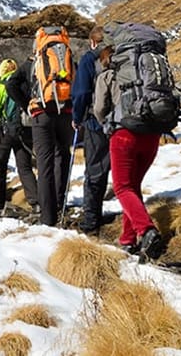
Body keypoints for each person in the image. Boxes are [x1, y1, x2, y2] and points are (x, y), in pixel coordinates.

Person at [92, 44, 164, 261]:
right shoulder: (145, 72)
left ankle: (146, 230)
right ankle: (127, 239)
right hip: (151, 135)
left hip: (124, 135)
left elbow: (99, 108)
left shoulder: (107, 75)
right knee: (132, 187)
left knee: (122, 187)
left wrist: (106, 123)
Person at [29, 28, 76, 227]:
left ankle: (47, 218)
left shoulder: (34, 62)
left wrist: (28, 104)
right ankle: (60, 204)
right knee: (63, 156)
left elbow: (13, 85)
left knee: (44, 164)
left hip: (42, 115)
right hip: (65, 113)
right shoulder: (69, 59)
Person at [0, 59, 40, 216]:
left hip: (5, 133)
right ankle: (36, 203)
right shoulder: (24, 85)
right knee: (24, 167)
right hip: (24, 131)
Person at [71, 25, 110, 234]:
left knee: (95, 171)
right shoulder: (121, 57)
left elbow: (81, 93)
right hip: (122, 123)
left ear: (93, 42)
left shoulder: (89, 59)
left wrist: (77, 117)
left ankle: (91, 221)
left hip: (96, 122)